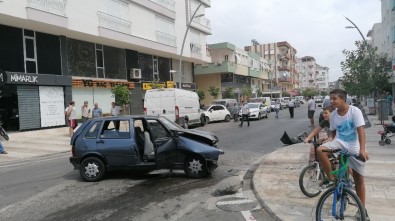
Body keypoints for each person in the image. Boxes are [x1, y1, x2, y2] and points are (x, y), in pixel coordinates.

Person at [316, 89, 369, 219]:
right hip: (339, 143)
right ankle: (331, 179)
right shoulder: (333, 115)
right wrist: (330, 140)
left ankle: (362, 210)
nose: (332, 101)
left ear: (343, 99)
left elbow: (361, 131)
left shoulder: (354, 111)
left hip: (354, 146)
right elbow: (333, 132)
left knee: (359, 179)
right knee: (320, 150)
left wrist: (362, 150)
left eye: (334, 99)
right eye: (331, 99)